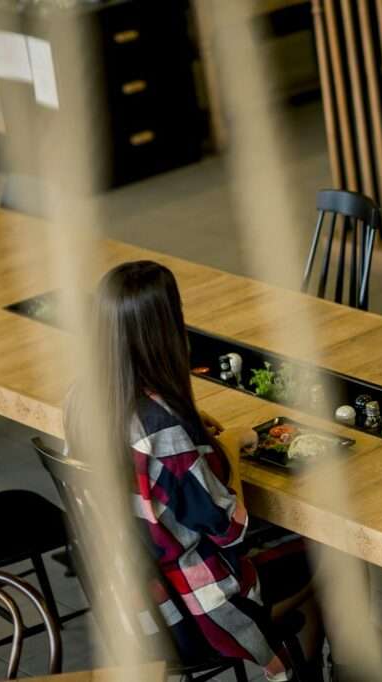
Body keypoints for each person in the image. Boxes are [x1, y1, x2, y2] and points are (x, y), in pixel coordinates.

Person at [64, 261, 323, 681]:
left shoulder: (84, 397)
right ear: (165, 329)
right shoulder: (164, 430)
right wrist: (231, 447)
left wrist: (187, 424)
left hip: (131, 603)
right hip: (194, 611)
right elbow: (230, 528)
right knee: (330, 553)